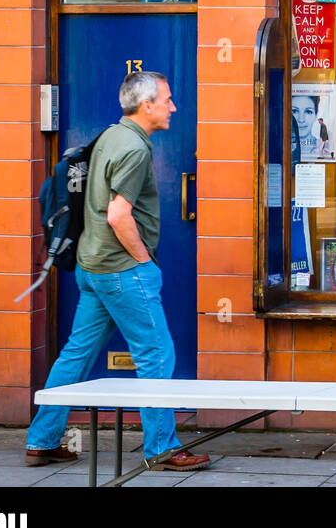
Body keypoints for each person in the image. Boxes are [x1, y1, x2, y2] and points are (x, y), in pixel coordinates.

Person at [25, 71, 209, 471]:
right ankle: (161, 447)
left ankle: (41, 440)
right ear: (147, 106)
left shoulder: (110, 135)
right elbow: (118, 214)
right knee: (157, 354)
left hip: (92, 268)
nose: (173, 107)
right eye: (167, 100)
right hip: (122, 271)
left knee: (76, 354)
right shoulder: (134, 149)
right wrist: (144, 261)